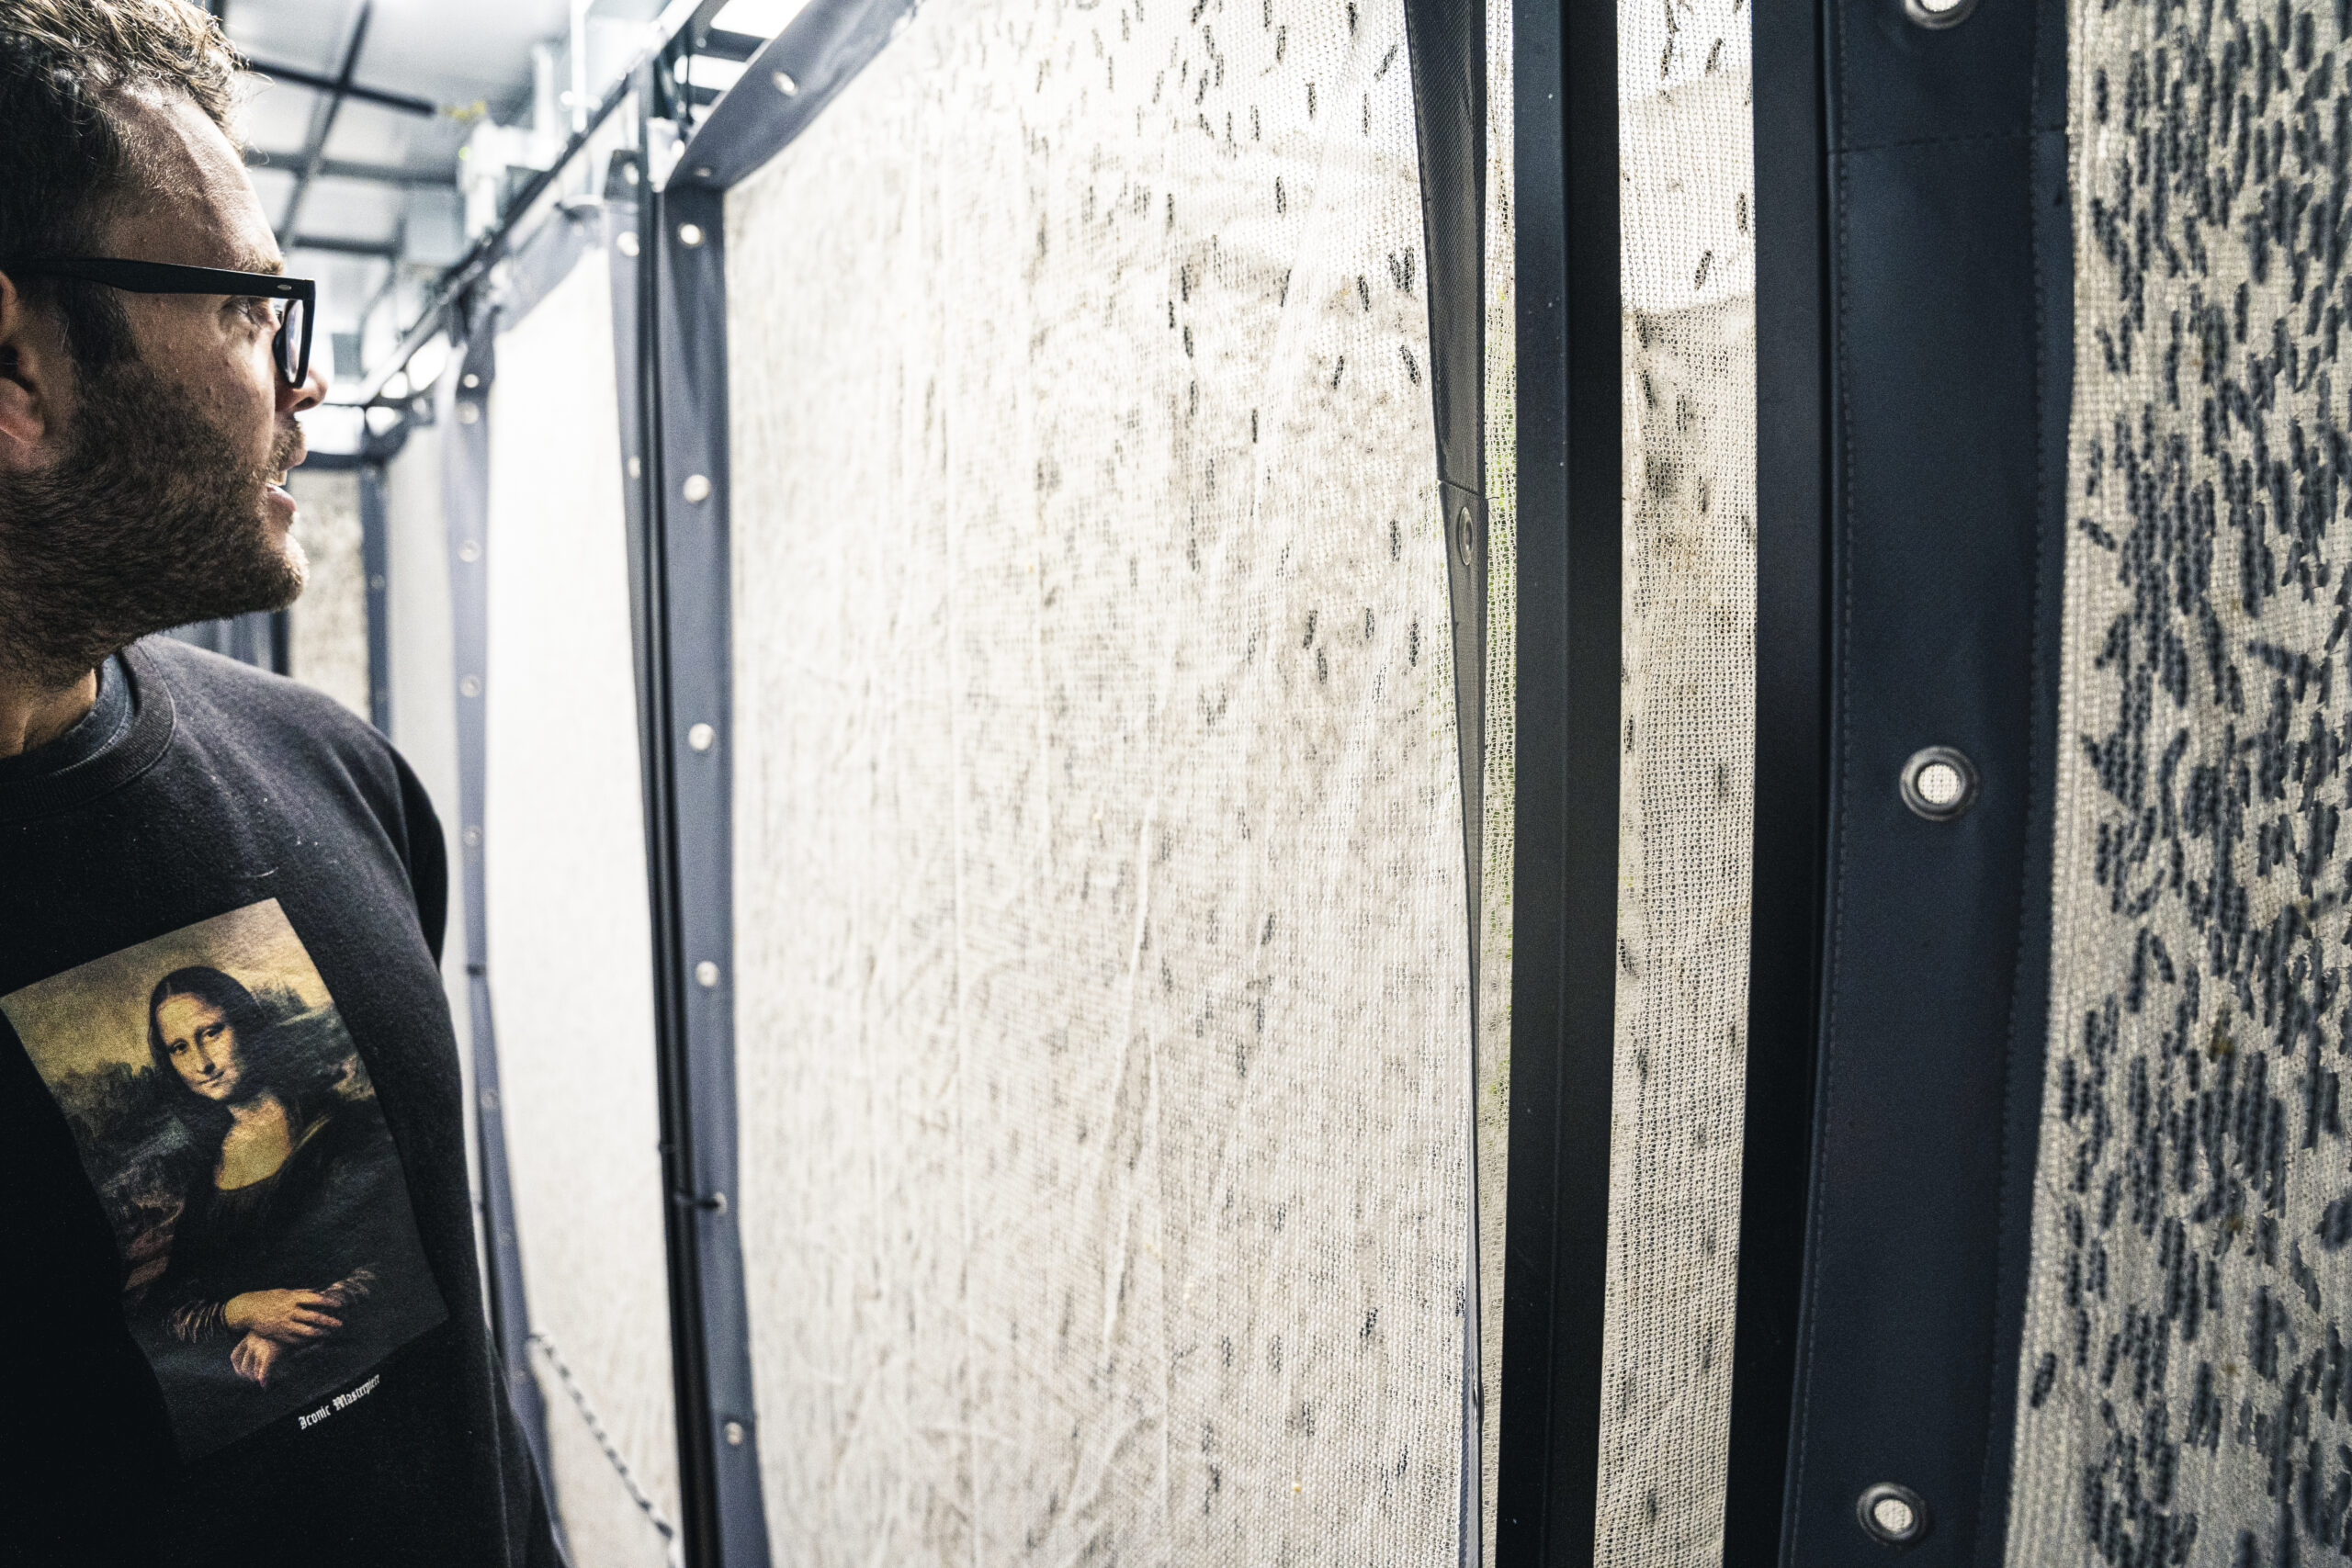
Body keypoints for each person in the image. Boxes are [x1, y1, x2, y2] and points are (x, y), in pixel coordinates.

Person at [0, 1, 558, 1561]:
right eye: (253, 310)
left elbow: (437, 1386)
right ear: (15, 368)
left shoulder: (328, 769)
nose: (302, 384)